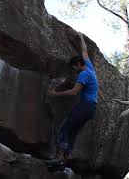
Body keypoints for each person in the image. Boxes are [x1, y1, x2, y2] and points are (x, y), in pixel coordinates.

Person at [47, 32, 98, 162]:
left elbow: (74, 92)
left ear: (78, 65)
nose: (74, 70)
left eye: (74, 68)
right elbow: (84, 51)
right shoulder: (89, 67)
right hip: (91, 109)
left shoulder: (83, 74)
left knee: (65, 127)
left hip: (85, 106)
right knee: (73, 130)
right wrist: (81, 38)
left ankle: (59, 157)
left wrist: (55, 94)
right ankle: (67, 156)